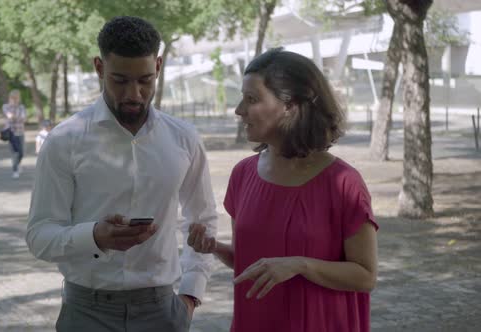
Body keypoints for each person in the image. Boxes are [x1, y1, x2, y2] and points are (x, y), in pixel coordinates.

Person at [26, 16, 218, 332]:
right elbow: (39, 236)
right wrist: (94, 236)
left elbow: (203, 219)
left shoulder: (184, 138)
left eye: (145, 80)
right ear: (99, 68)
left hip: (163, 312)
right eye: (120, 80)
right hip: (86, 312)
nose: (134, 94)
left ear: (158, 66)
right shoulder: (65, 140)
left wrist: (190, 296)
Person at [188, 49, 379, 332]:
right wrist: (214, 247)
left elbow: (365, 276)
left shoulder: (343, 183)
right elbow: (249, 262)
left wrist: (301, 265)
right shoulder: (243, 175)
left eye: (252, 99)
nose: (239, 109)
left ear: (291, 106)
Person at [3, 90, 26, 179]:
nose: (15, 100)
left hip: (20, 132)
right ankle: (15, 170)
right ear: (10, 98)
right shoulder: (6, 107)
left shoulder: (21, 107)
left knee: (21, 153)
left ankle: (18, 164)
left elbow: (24, 119)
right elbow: (9, 116)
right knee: (14, 153)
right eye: (13, 98)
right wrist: (17, 117)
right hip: (11, 133)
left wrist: (15, 117)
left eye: (17, 98)